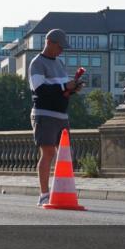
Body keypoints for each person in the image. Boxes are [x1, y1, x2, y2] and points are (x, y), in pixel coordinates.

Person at [29, 28, 83, 206]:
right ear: (49, 42)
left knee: (66, 154)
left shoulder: (59, 63)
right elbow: (40, 91)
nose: (62, 50)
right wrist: (64, 88)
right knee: (49, 153)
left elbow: (61, 91)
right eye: (60, 47)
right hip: (44, 114)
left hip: (61, 115)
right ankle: (44, 194)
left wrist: (72, 89)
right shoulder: (37, 63)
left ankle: (61, 190)